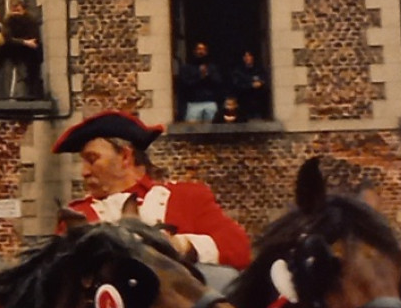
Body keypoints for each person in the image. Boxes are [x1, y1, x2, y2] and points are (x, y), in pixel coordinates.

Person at [53, 110, 252, 268]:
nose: (84, 172)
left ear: (125, 157)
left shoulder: (187, 198)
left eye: (92, 160)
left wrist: (182, 246)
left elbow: (239, 248)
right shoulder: (78, 217)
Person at [0, 0, 42, 99]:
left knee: (22, 75)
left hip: (24, 54)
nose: (16, 13)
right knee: (8, 75)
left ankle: (21, 95)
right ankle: (7, 96)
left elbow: (34, 37)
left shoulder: (30, 20)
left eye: (17, 10)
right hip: (10, 52)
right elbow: (7, 38)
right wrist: (24, 42)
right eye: (13, 10)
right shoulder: (8, 21)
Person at [177, 42, 224, 122]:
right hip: (193, 104)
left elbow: (218, 83)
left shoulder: (212, 68)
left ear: (206, 52)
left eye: (203, 50)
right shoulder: (187, 68)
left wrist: (207, 75)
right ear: (194, 51)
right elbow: (185, 84)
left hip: (210, 102)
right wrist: (200, 76)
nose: (201, 52)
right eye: (199, 49)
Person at [231, 48, 269, 120]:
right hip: (244, 102)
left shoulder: (259, 69)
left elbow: (264, 82)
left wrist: (260, 84)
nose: (247, 58)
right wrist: (251, 85)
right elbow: (237, 85)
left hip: (258, 102)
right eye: (245, 56)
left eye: (249, 56)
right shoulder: (238, 71)